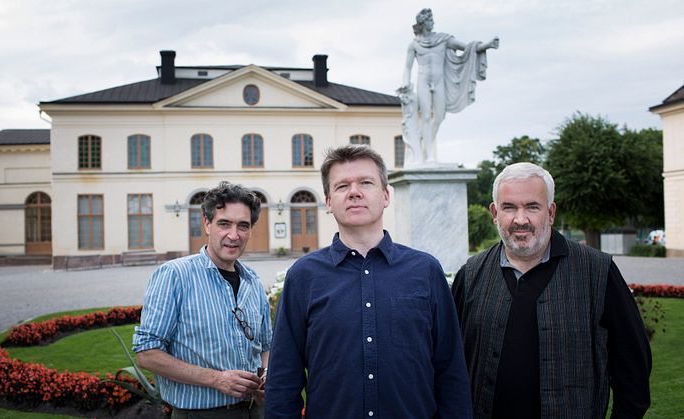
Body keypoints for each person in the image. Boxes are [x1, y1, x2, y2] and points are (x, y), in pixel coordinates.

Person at [265, 145, 472, 418]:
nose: (354, 192)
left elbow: (450, 370)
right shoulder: (304, 276)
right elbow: (283, 378)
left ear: (386, 195)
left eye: (366, 182)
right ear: (328, 201)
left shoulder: (425, 271)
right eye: (342, 186)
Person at [452, 162, 652, 419]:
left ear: (550, 212)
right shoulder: (470, 275)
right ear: (494, 212)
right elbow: (448, 365)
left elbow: (633, 370)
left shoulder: (598, 272)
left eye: (532, 207)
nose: (520, 219)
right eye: (509, 207)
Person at [133, 181, 272, 419]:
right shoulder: (175, 275)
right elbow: (147, 354)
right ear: (207, 224)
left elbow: (265, 347)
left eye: (243, 226)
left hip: (254, 412)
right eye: (224, 224)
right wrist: (216, 379)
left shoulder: (253, 282)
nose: (233, 235)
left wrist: (266, 378)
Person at [399, 8, 499, 164]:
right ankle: (430, 154)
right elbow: (407, 67)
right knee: (425, 116)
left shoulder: (444, 40)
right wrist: (405, 82)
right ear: (423, 23)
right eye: (430, 20)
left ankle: (425, 145)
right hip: (423, 81)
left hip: (439, 82)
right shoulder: (414, 45)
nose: (433, 23)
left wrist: (487, 45)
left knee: (439, 116)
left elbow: (468, 48)